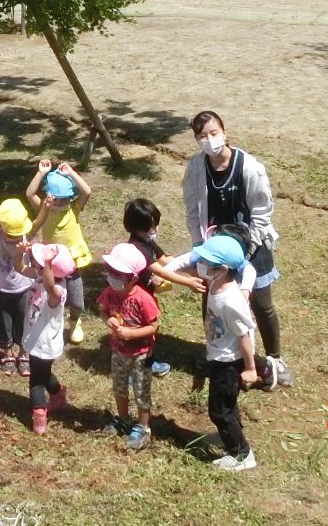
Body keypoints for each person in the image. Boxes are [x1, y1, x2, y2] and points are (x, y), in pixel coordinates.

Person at [181, 110, 290, 387]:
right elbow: (193, 210)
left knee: (261, 303)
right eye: (202, 136)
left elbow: (262, 213)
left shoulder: (249, 167)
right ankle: (215, 352)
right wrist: (199, 245)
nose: (209, 140)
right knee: (211, 303)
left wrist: (247, 250)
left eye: (214, 133)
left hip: (252, 246)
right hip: (215, 249)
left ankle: (274, 358)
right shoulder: (195, 168)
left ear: (225, 132)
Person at [181, 234, 261, 471]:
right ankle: (232, 438)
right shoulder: (216, 284)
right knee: (227, 406)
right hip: (217, 356)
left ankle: (242, 455)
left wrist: (250, 368)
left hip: (228, 362)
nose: (200, 265)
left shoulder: (231, 301)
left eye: (206, 262)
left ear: (223, 269)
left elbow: (244, 336)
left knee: (219, 411)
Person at [122, 197, 204, 376]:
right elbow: (162, 271)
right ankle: (133, 369)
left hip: (146, 295)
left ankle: (147, 362)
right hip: (135, 299)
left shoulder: (146, 241)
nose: (156, 229)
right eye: (153, 226)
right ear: (139, 227)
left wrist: (190, 268)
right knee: (139, 333)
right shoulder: (137, 248)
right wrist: (188, 281)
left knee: (149, 331)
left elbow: (165, 259)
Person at [96, 243, 162, 451]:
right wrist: (108, 320)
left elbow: (154, 326)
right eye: (111, 272)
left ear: (133, 278)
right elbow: (103, 311)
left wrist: (132, 333)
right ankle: (123, 419)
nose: (113, 277)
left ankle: (143, 426)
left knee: (141, 390)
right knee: (119, 386)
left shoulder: (143, 298)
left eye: (118, 274)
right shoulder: (110, 291)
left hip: (141, 354)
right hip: (118, 351)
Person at [25, 159, 93, 343]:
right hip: (49, 263)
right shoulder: (44, 208)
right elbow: (30, 194)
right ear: (49, 196)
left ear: (70, 198)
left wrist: (71, 173)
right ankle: (53, 321)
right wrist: (41, 173)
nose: (59, 202)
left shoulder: (74, 208)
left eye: (63, 199)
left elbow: (87, 192)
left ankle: (75, 320)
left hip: (70, 263)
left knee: (77, 301)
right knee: (48, 296)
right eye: (55, 198)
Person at [23, 241, 73, 434]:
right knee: (44, 374)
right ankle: (58, 394)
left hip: (46, 344)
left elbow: (49, 286)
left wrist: (47, 265)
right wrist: (22, 253)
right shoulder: (37, 278)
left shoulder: (57, 292)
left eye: (38, 264)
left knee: (36, 380)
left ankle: (39, 415)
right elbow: (20, 267)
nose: (34, 265)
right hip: (35, 338)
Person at [0, 197, 36, 377]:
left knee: (24, 321)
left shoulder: (26, 236)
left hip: (24, 288)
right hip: (0, 289)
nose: (14, 237)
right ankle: (8, 354)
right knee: (3, 323)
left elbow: (38, 223)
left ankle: (24, 354)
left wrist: (45, 208)